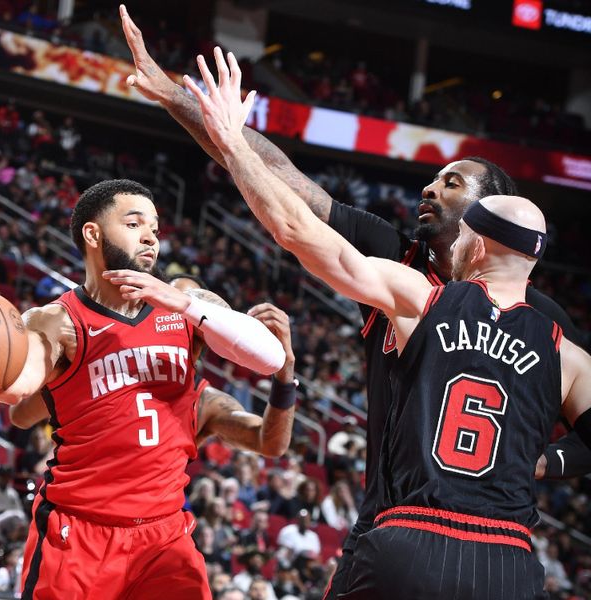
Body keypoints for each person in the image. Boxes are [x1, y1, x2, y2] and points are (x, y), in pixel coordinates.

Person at [117, 10, 591, 596]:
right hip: (439, 530)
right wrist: (177, 98)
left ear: (487, 214)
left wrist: (546, 463)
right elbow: (286, 181)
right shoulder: (400, 257)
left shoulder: (487, 308)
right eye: (433, 178)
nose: (429, 187)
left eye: (451, 182)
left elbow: (291, 221)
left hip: (423, 527)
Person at [0, 178, 292, 600]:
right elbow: (17, 392)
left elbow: (269, 357)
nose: (150, 236)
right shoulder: (57, 320)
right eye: (134, 223)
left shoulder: (183, 299)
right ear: (93, 234)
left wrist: (183, 303)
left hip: (162, 534)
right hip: (78, 532)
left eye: (156, 228)